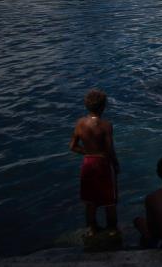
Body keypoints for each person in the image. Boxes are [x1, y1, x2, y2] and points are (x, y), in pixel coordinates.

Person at [69, 89, 120, 237]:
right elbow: (110, 149)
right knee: (110, 200)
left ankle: (92, 229)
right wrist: (116, 165)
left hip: (88, 164)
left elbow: (72, 146)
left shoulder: (80, 123)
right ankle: (112, 229)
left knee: (90, 200)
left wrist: (89, 153)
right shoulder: (106, 125)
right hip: (103, 164)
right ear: (103, 107)